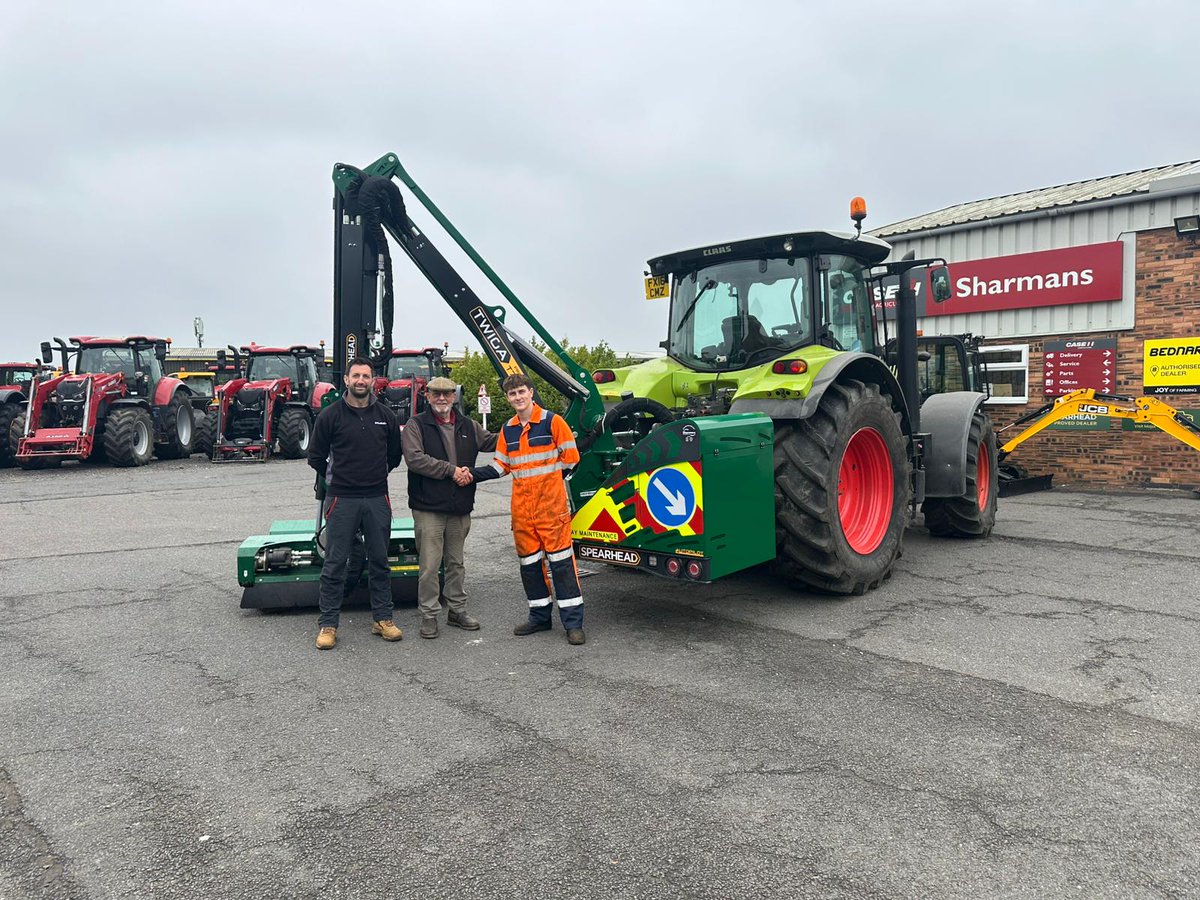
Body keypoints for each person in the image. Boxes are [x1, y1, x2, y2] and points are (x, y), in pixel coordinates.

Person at [471, 373, 585, 645]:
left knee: (562, 566)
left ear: (531, 393)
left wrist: (548, 486)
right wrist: (470, 474)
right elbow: (500, 466)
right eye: (512, 394)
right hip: (523, 512)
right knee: (530, 566)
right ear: (508, 399)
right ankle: (539, 618)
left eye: (521, 391)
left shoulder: (553, 422)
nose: (518, 397)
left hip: (551, 510)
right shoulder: (508, 429)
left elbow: (571, 460)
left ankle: (573, 624)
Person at [307, 356, 404, 650]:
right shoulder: (330, 416)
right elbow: (315, 457)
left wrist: (372, 477)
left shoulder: (385, 416)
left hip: (376, 497)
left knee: (379, 560)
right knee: (335, 562)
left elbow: (394, 457)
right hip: (341, 499)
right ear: (346, 380)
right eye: (356, 376)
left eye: (366, 376)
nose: (361, 381)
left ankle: (383, 619)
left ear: (373, 381)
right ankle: (328, 624)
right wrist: (341, 479)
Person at [402, 376, 498, 639]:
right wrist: (451, 471)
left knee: (456, 563)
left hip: (459, 506)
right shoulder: (416, 425)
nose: (442, 398)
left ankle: (456, 610)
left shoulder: (469, 425)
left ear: (454, 397)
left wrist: (522, 429)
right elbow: (415, 459)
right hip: (428, 507)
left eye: (447, 394)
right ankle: (429, 615)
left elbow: (493, 442)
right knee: (430, 565)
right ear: (428, 396)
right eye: (436, 394)